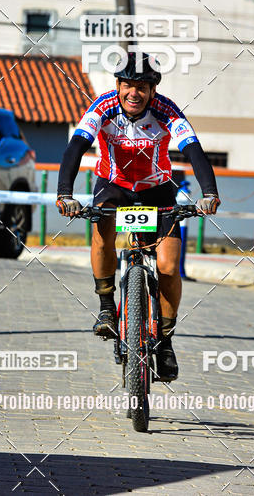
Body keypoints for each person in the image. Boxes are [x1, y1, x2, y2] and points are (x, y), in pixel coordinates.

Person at [56, 52, 220, 382]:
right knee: (101, 230)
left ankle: (165, 342)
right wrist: (65, 193)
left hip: (157, 191)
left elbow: (193, 150)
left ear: (153, 91)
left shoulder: (167, 111)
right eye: (128, 85)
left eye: (142, 87)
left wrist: (209, 193)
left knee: (169, 266)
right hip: (114, 186)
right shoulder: (102, 108)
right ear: (117, 86)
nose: (135, 93)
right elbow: (76, 146)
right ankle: (106, 307)